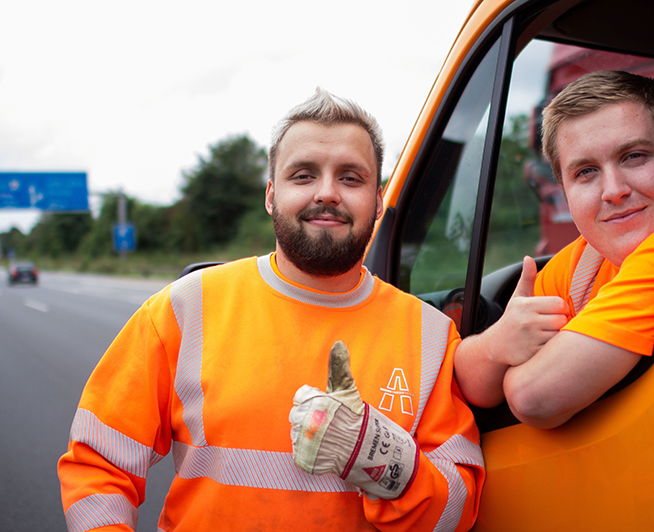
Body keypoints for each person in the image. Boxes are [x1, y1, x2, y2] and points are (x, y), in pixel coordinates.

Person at [58, 88, 485, 532]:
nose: (327, 193)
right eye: (303, 175)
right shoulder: (185, 308)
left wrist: (383, 459)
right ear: (270, 194)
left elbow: (459, 512)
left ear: (378, 201)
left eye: (351, 178)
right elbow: (97, 462)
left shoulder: (430, 336)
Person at [455, 70, 654, 429]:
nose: (613, 190)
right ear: (565, 191)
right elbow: (469, 385)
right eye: (586, 172)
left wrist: (512, 367)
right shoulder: (586, 261)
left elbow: (532, 396)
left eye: (634, 156)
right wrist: (500, 341)